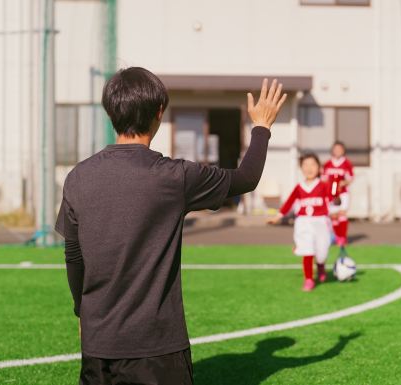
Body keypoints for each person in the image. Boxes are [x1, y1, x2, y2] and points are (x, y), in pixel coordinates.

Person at [55, 68, 288, 385]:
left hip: (99, 346)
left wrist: (81, 311)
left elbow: (73, 256)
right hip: (158, 348)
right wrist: (261, 127)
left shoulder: (77, 178)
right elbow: (246, 178)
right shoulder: (174, 177)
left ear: (111, 113)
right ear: (159, 113)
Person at [268, 153, 333, 291]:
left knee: (321, 253)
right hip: (303, 222)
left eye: (313, 164)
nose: (309, 168)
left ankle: (321, 266)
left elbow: (334, 197)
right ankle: (309, 279)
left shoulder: (323, 185)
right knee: (307, 249)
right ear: (301, 168)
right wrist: (278, 216)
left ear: (319, 168)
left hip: (320, 222)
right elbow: (289, 203)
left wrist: (337, 190)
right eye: (305, 165)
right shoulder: (299, 187)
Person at [322, 141, 354, 248]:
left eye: (340, 149)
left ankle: (342, 237)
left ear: (343, 151)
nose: (337, 151)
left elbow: (350, 178)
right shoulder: (327, 164)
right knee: (333, 216)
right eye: (336, 149)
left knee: (342, 214)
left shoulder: (346, 163)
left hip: (342, 194)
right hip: (331, 195)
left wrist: (342, 183)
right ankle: (336, 237)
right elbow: (324, 179)